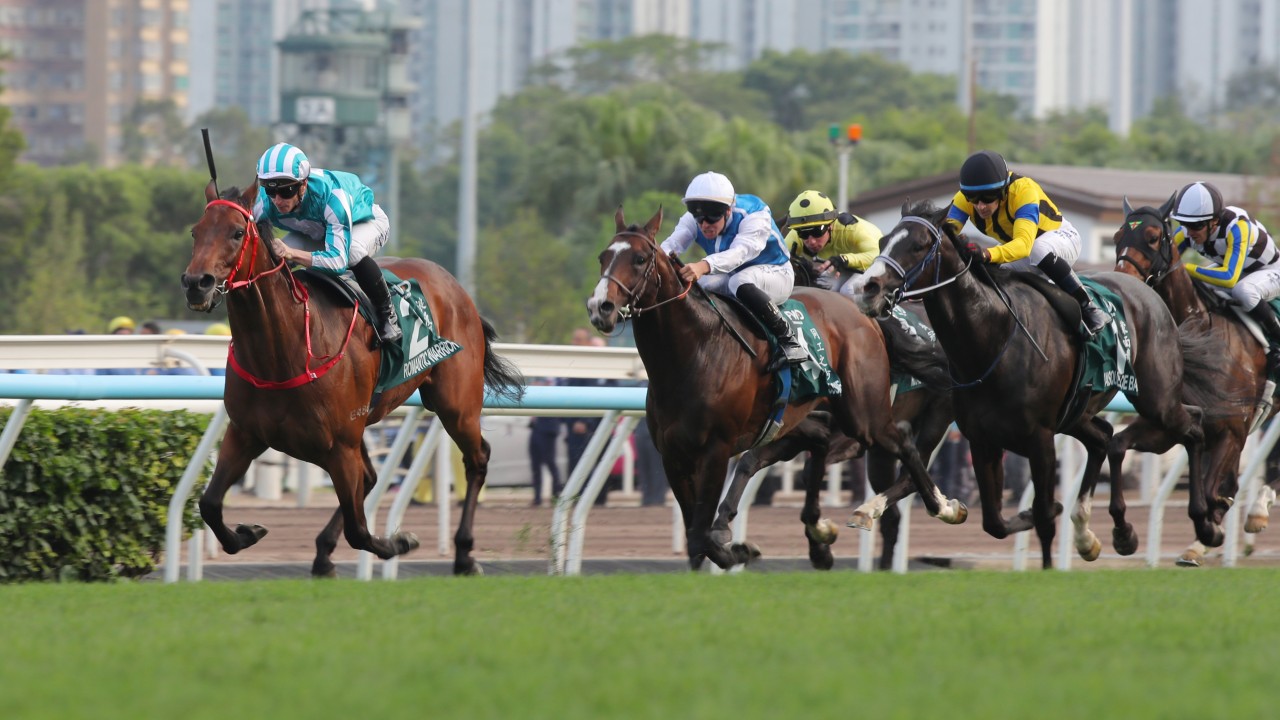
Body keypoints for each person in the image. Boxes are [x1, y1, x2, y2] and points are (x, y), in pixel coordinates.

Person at [945, 150, 1110, 338]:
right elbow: (946, 235)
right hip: (1023, 253)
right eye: (973, 199)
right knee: (992, 275)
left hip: (1061, 239)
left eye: (988, 198)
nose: (980, 205)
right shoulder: (964, 199)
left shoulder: (1024, 191)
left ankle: (1089, 308)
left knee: (1037, 249)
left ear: (1003, 191)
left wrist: (986, 254)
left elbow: (1024, 245)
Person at [252, 142, 401, 344]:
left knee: (352, 252)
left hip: (363, 222)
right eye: (270, 190)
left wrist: (292, 253)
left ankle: (387, 314)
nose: (277, 200)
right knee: (272, 259)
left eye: (286, 191)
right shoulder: (264, 202)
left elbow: (338, 262)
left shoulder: (333, 198)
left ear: (303, 184)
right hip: (316, 230)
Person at [660, 171, 807, 369]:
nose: (704, 224)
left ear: (728, 211)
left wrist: (702, 266)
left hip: (776, 273)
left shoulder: (754, 213)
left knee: (738, 281)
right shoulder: (694, 219)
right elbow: (670, 246)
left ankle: (788, 340)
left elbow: (740, 253)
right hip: (732, 275)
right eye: (699, 218)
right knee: (699, 286)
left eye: (712, 218)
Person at [1170, 180, 1280, 375]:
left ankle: (1277, 339)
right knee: (1194, 287)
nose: (1189, 232)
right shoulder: (1188, 231)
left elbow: (1229, 277)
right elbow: (1166, 260)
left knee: (1243, 291)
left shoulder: (1238, 227)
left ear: (1214, 221)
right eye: (1184, 224)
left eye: (1195, 225)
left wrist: (1185, 268)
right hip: (1239, 270)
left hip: (1269, 270)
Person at [785, 189, 883, 295]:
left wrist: (845, 259)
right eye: (803, 234)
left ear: (830, 225)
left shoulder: (853, 230)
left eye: (817, 231)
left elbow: (878, 256)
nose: (811, 241)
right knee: (821, 289)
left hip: (875, 265)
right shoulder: (794, 237)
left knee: (849, 290)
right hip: (842, 268)